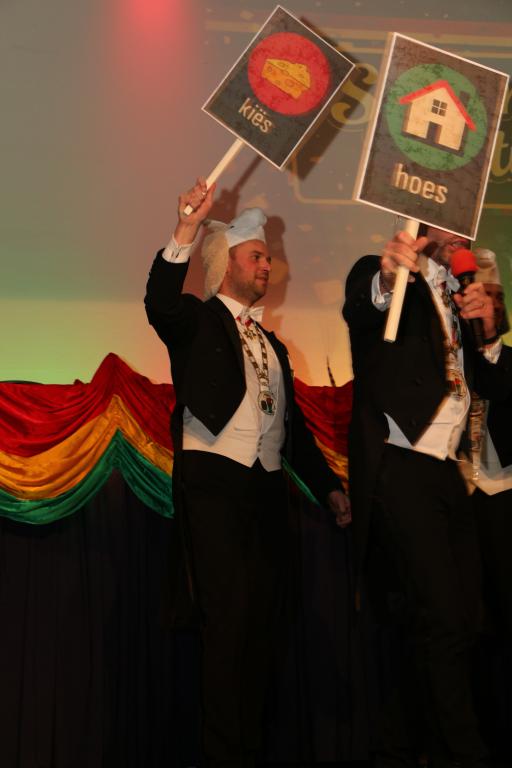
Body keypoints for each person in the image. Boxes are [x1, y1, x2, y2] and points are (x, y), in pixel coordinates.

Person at [145, 177, 350, 768]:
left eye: (267, 257)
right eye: (257, 256)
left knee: (261, 628)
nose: (268, 265)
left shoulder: (274, 346)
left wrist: (330, 489)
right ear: (226, 263)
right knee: (228, 625)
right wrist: (187, 227)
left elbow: (293, 430)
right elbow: (159, 302)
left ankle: (251, 750)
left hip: (264, 490)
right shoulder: (197, 320)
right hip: (214, 484)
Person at [342, 224, 512, 768]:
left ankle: (414, 741)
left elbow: (494, 387)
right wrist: (387, 279)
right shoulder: (388, 275)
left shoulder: (461, 291)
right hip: (402, 462)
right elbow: (361, 308)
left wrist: (488, 335)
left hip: (448, 470)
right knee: (441, 615)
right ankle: (462, 750)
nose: (460, 231)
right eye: (448, 221)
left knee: (463, 616)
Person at [461, 249, 512, 758]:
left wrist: (486, 346)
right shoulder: (452, 364)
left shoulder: (508, 363)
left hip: (504, 499)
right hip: (462, 500)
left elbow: (498, 383)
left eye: (490, 300)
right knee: (471, 627)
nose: (483, 308)